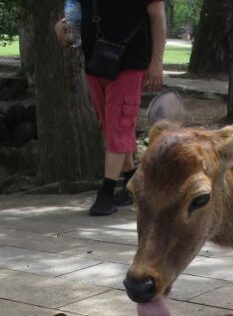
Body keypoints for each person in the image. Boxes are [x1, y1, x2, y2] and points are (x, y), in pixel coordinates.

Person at [56, 0, 165, 216]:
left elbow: (158, 17)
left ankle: (106, 193)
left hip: (130, 63)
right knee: (110, 127)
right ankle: (134, 185)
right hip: (96, 62)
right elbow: (76, 13)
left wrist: (157, 62)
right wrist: (61, 26)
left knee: (118, 127)